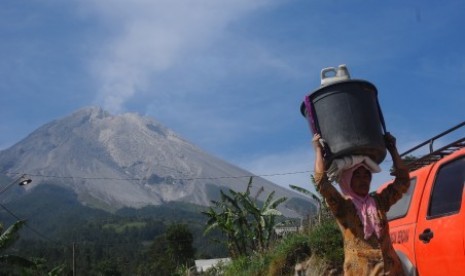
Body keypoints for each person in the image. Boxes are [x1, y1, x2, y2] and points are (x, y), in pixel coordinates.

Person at [312, 132, 410, 275]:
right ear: (347, 179)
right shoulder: (343, 207)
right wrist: (318, 150)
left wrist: (392, 149)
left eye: (366, 175)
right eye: (357, 175)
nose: (363, 180)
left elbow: (403, 181)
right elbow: (321, 182)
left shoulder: (379, 202)